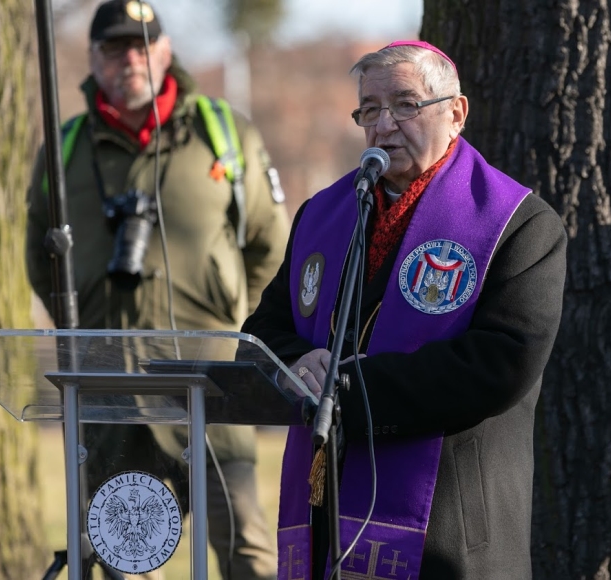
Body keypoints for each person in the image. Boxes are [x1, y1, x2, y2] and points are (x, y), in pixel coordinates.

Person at [241, 40, 568, 579]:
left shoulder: (519, 224)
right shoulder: (322, 216)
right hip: (330, 515)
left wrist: (346, 389)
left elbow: (499, 363)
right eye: (369, 109)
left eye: (405, 104)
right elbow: (266, 328)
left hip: (450, 527)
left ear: (455, 113)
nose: (384, 124)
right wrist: (299, 363)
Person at [25, 1, 289, 577]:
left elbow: (272, 249)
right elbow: (38, 258)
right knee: (122, 559)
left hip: (213, 388)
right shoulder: (64, 147)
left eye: (142, 46)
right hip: (108, 397)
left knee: (247, 549)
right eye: (115, 49)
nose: (130, 60)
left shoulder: (226, 132)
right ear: (92, 59)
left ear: (165, 51)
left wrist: (232, 320)